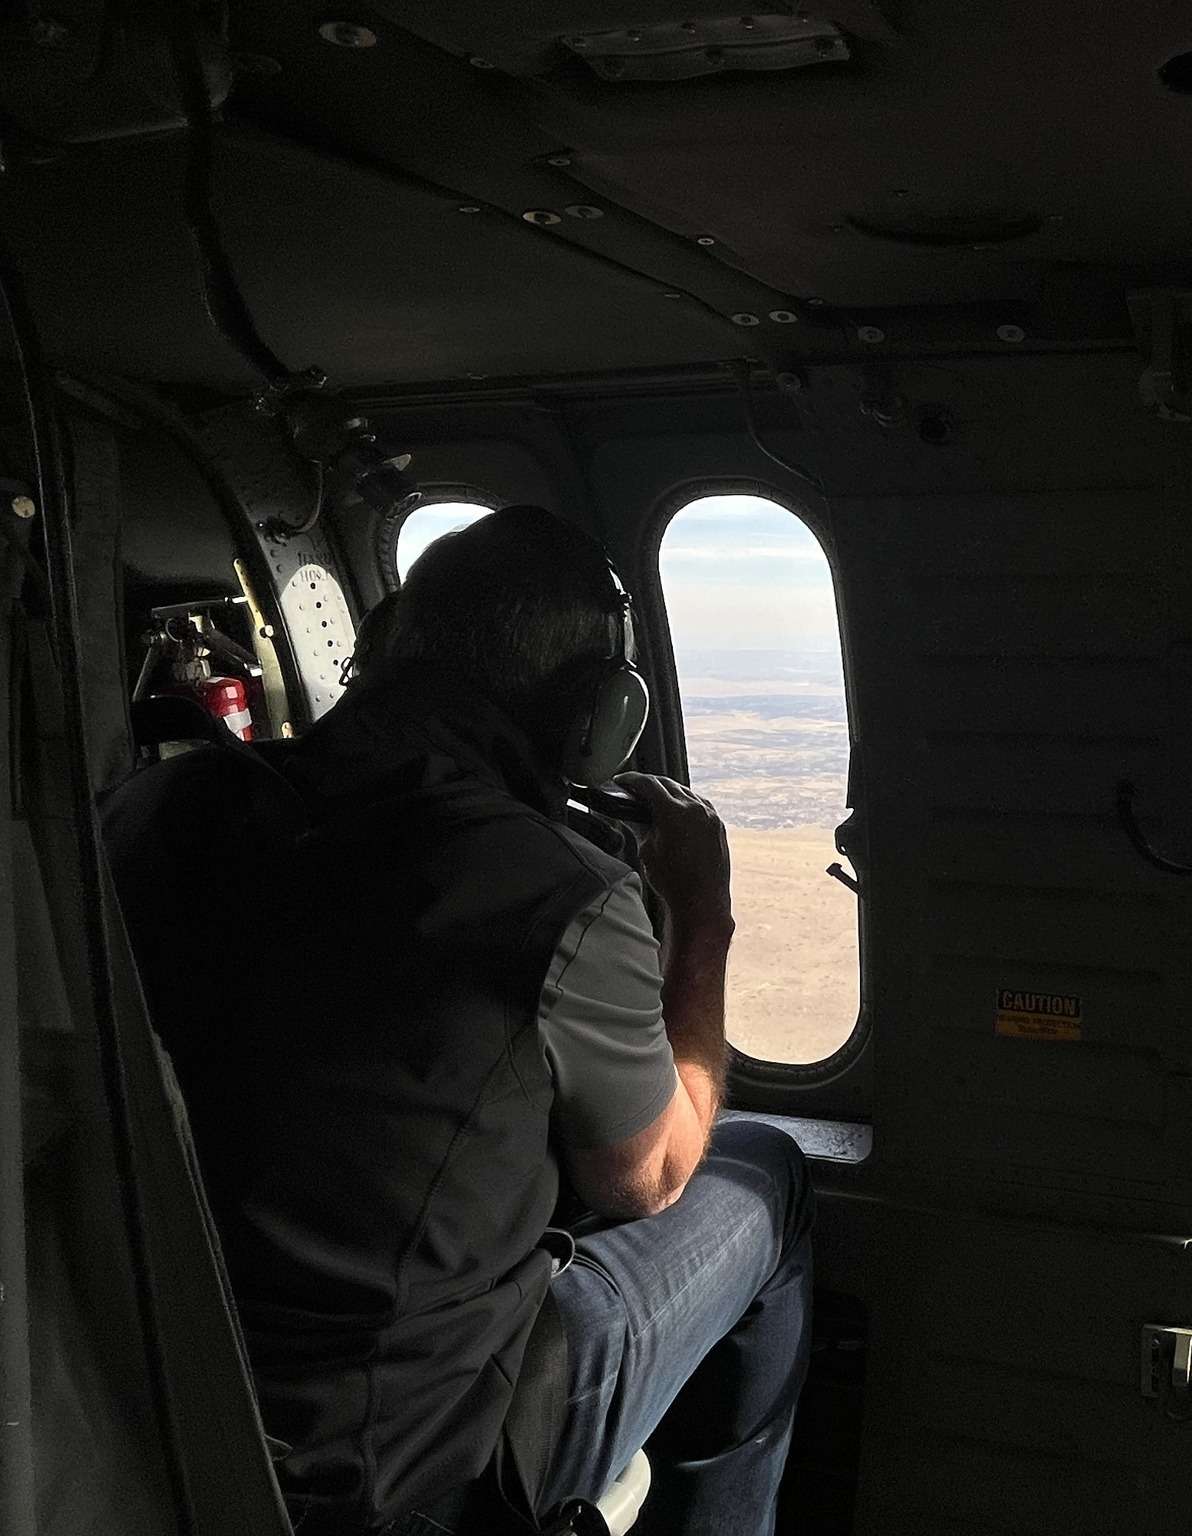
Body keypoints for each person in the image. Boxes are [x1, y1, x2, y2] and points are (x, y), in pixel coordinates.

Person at [102, 505, 812, 1535]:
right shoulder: (555, 892)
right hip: (394, 1460)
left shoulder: (152, 810)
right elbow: (648, 1178)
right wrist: (701, 920)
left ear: (382, 648)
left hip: (144, 1393)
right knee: (767, 1173)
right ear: (596, 715)